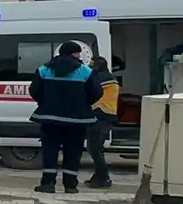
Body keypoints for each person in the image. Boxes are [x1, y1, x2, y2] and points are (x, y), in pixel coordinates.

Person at [29, 41, 103, 194]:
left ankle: (48, 184)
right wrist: (83, 104)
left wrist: (45, 102)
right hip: (77, 120)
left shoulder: (44, 70)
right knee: (73, 151)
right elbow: (96, 93)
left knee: (50, 150)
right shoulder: (86, 72)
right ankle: (70, 186)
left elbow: (34, 90)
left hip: (50, 118)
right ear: (75, 54)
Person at [85, 55, 120, 189]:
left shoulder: (104, 78)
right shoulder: (106, 77)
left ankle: (103, 177)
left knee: (95, 148)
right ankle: (99, 176)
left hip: (102, 116)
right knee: (94, 148)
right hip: (102, 116)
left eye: (91, 65)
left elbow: (89, 88)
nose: (89, 67)